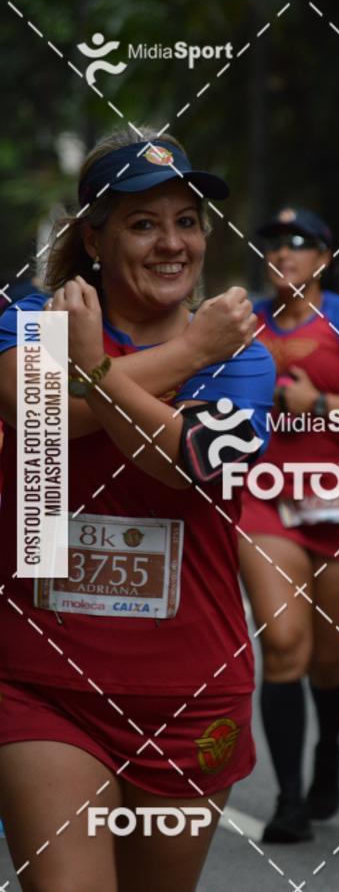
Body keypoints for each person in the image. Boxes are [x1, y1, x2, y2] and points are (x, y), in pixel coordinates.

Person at [0, 125, 274, 892]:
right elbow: (33, 406)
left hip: (191, 693)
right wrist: (185, 356)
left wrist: (93, 370)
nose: (171, 243)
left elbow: (188, 465)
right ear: (92, 236)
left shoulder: (246, 354)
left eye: (186, 221)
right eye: (142, 222)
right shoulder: (28, 320)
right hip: (42, 686)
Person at [237, 206, 339, 842]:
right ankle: (288, 799)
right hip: (263, 499)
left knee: (328, 661)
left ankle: (328, 749)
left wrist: (319, 404)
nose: (284, 254)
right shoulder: (243, 318)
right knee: (283, 646)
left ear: (324, 258)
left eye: (299, 244)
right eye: (274, 244)